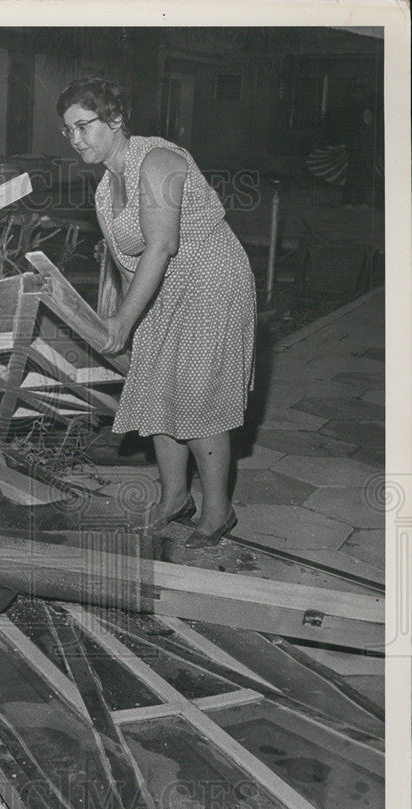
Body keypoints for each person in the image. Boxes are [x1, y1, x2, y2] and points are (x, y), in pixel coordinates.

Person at [57, 78, 256, 547]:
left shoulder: (159, 162)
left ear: (116, 119)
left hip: (211, 281)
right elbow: (129, 263)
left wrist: (124, 320)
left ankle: (217, 510)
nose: (75, 139)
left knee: (197, 394)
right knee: (152, 383)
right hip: (164, 285)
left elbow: (162, 244)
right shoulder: (107, 187)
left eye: (83, 126)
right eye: (67, 131)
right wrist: (133, 320)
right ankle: (174, 498)